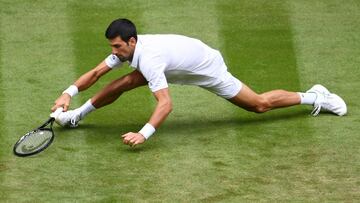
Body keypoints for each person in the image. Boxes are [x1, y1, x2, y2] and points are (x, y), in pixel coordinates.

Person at [51, 18, 347, 147]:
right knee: (123, 82)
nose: (114, 52)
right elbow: (96, 73)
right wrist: (67, 93)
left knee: (259, 105)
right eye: (112, 48)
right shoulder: (131, 50)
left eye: (117, 47)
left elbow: (166, 104)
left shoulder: (150, 59)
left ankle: (315, 97)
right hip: (181, 62)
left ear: (131, 41)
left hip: (206, 68)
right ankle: (76, 116)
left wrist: (144, 134)